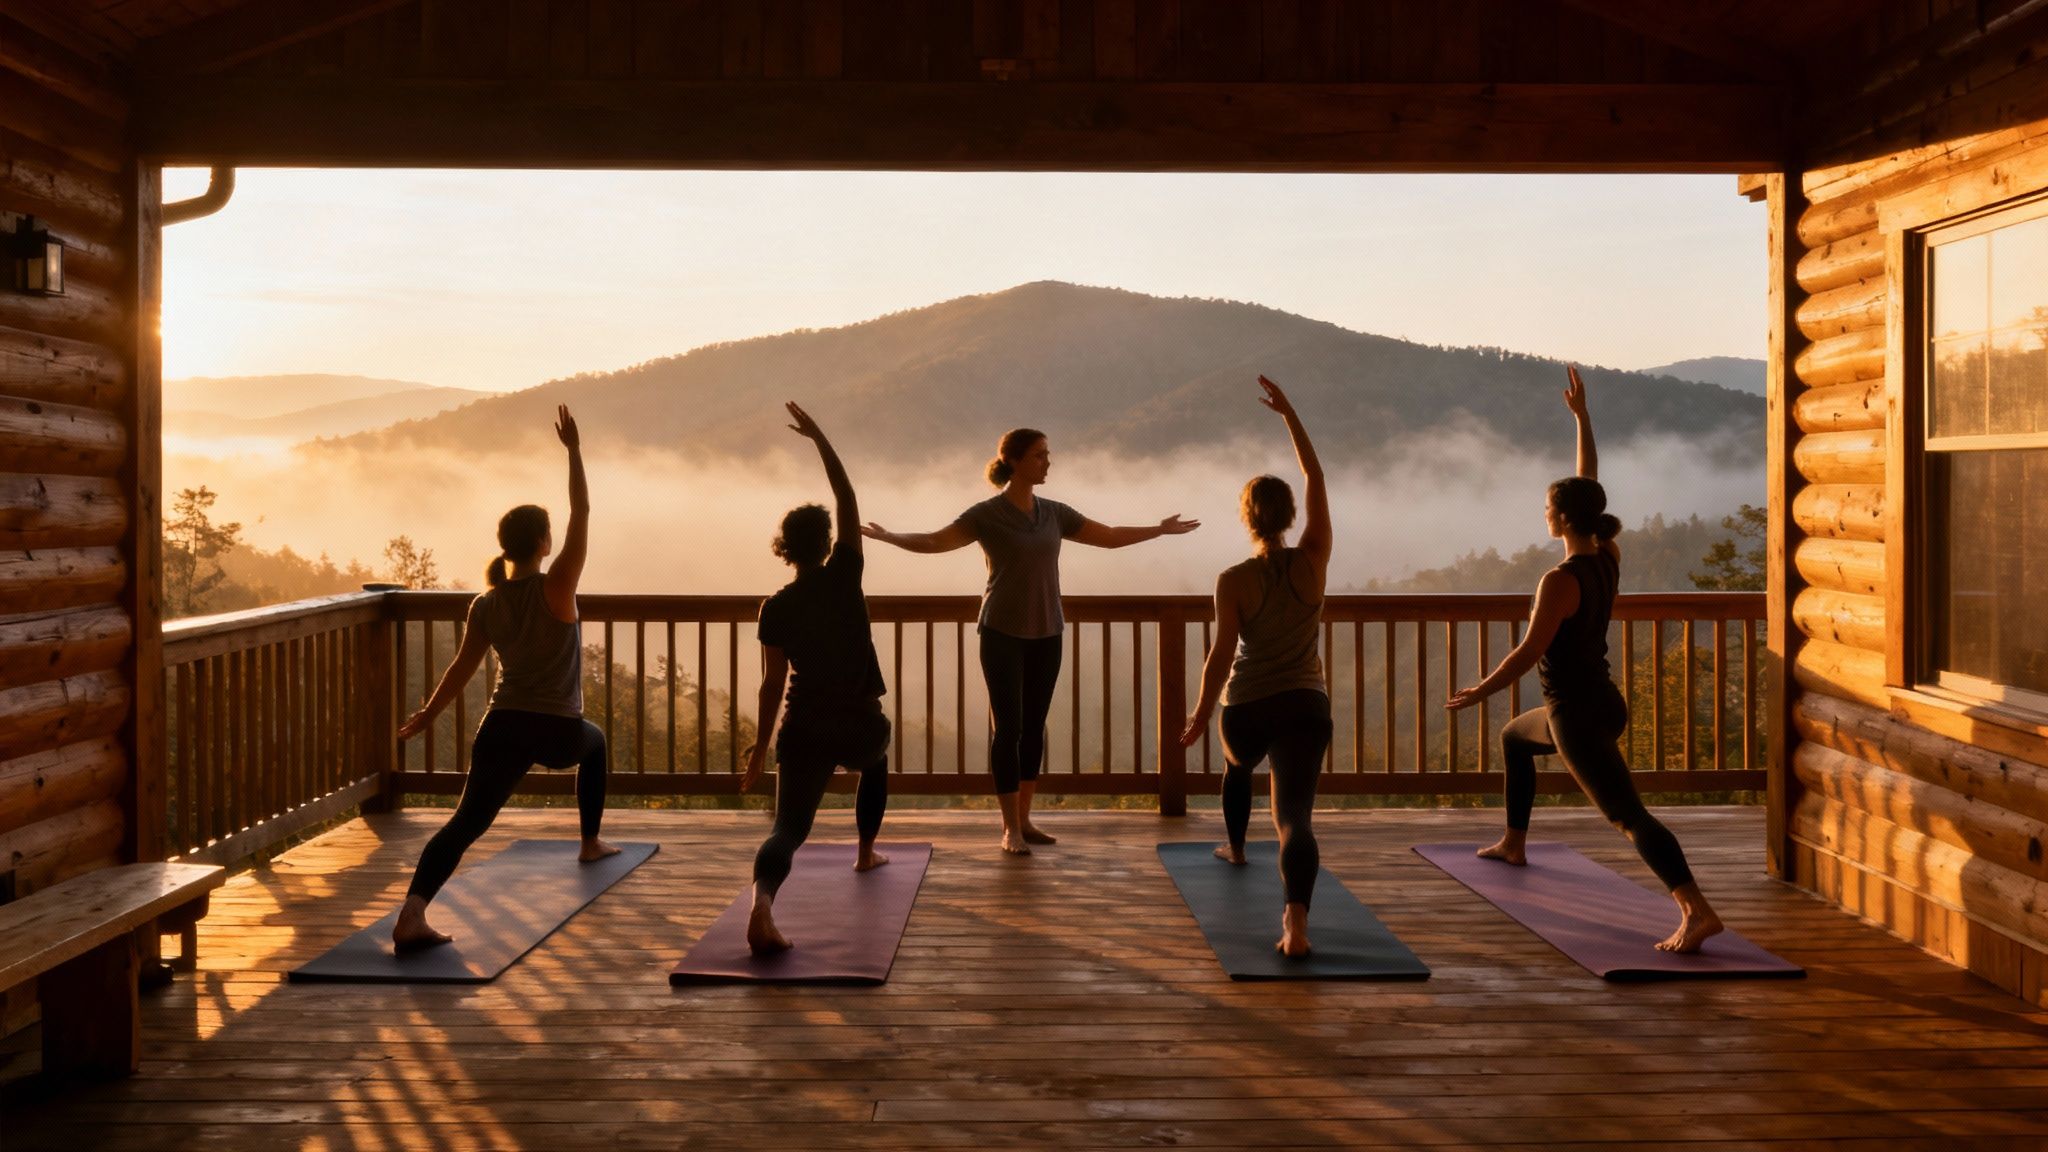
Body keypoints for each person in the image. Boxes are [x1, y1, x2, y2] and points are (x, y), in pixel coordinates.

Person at [1447, 365, 1724, 953]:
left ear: (1565, 518)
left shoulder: (1558, 580)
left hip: (1576, 715)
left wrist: (1478, 688)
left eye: (1549, 507)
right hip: (1602, 703)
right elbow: (1588, 482)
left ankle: (1695, 909)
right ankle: (1514, 842)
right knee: (1515, 740)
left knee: (1628, 818)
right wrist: (1582, 419)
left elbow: (1529, 652)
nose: (1543, 513)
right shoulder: (1607, 552)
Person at [863, 428, 1199, 854]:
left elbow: (1109, 536)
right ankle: (1009, 828)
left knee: (1033, 728)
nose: (1048, 462)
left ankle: (1025, 818)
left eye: (1047, 455)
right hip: (1001, 631)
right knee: (1008, 728)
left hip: (1047, 631)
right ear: (1016, 461)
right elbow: (935, 541)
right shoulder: (986, 514)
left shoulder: (1054, 513)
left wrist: (1159, 530)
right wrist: (890, 536)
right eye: (1040, 456)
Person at [390, 405, 618, 952]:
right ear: (543, 543)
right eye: (548, 536)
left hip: (502, 725)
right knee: (598, 743)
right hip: (557, 730)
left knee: (466, 821)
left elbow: (463, 668)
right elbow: (583, 509)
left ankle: (412, 912)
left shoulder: (486, 603)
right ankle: (589, 842)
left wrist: (429, 714)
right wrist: (575, 451)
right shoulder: (557, 584)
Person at [1179, 376, 1331, 958]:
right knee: (1294, 816)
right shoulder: (1314, 559)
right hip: (1305, 706)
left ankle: (1237, 848)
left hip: (1245, 710)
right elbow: (1317, 478)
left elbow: (1221, 656)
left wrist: (1199, 714)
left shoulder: (1232, 580)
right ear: (1290, 515)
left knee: (1238, 765)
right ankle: (1295, 925)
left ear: (1247, 518)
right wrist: (1291, 414)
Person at [740, 403, 892, 955]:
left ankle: (761, 906)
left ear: (786, 547)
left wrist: (760, 746)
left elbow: (771, 684)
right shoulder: (846, 575)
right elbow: (847, 498)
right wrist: (819, 438)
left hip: (802, 727)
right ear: (827, 544)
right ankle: (865, 850)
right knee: (878, 753)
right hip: (857, 724)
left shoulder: (774, 606)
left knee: (787, 831)